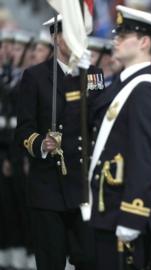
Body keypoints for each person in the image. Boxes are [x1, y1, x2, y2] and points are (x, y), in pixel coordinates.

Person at [84, 5, 151, 270]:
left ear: (144, 42)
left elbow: (144, 157)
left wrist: (133, 217)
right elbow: (93, 112)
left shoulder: (144, 89)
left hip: (121, 211)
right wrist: (85, 71)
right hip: (104, 208)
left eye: (123, 36)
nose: (116, 40)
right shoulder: (122, 82)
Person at [15, 16, 104, 270]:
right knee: (51, 261)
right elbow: (24, 128)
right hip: (48, 185)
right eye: (72, 34)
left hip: (82, 184)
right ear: (56, 38)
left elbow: (97, 119)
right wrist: (42, 143)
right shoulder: (35, 76)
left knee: (88, 258)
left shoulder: (93, 73)